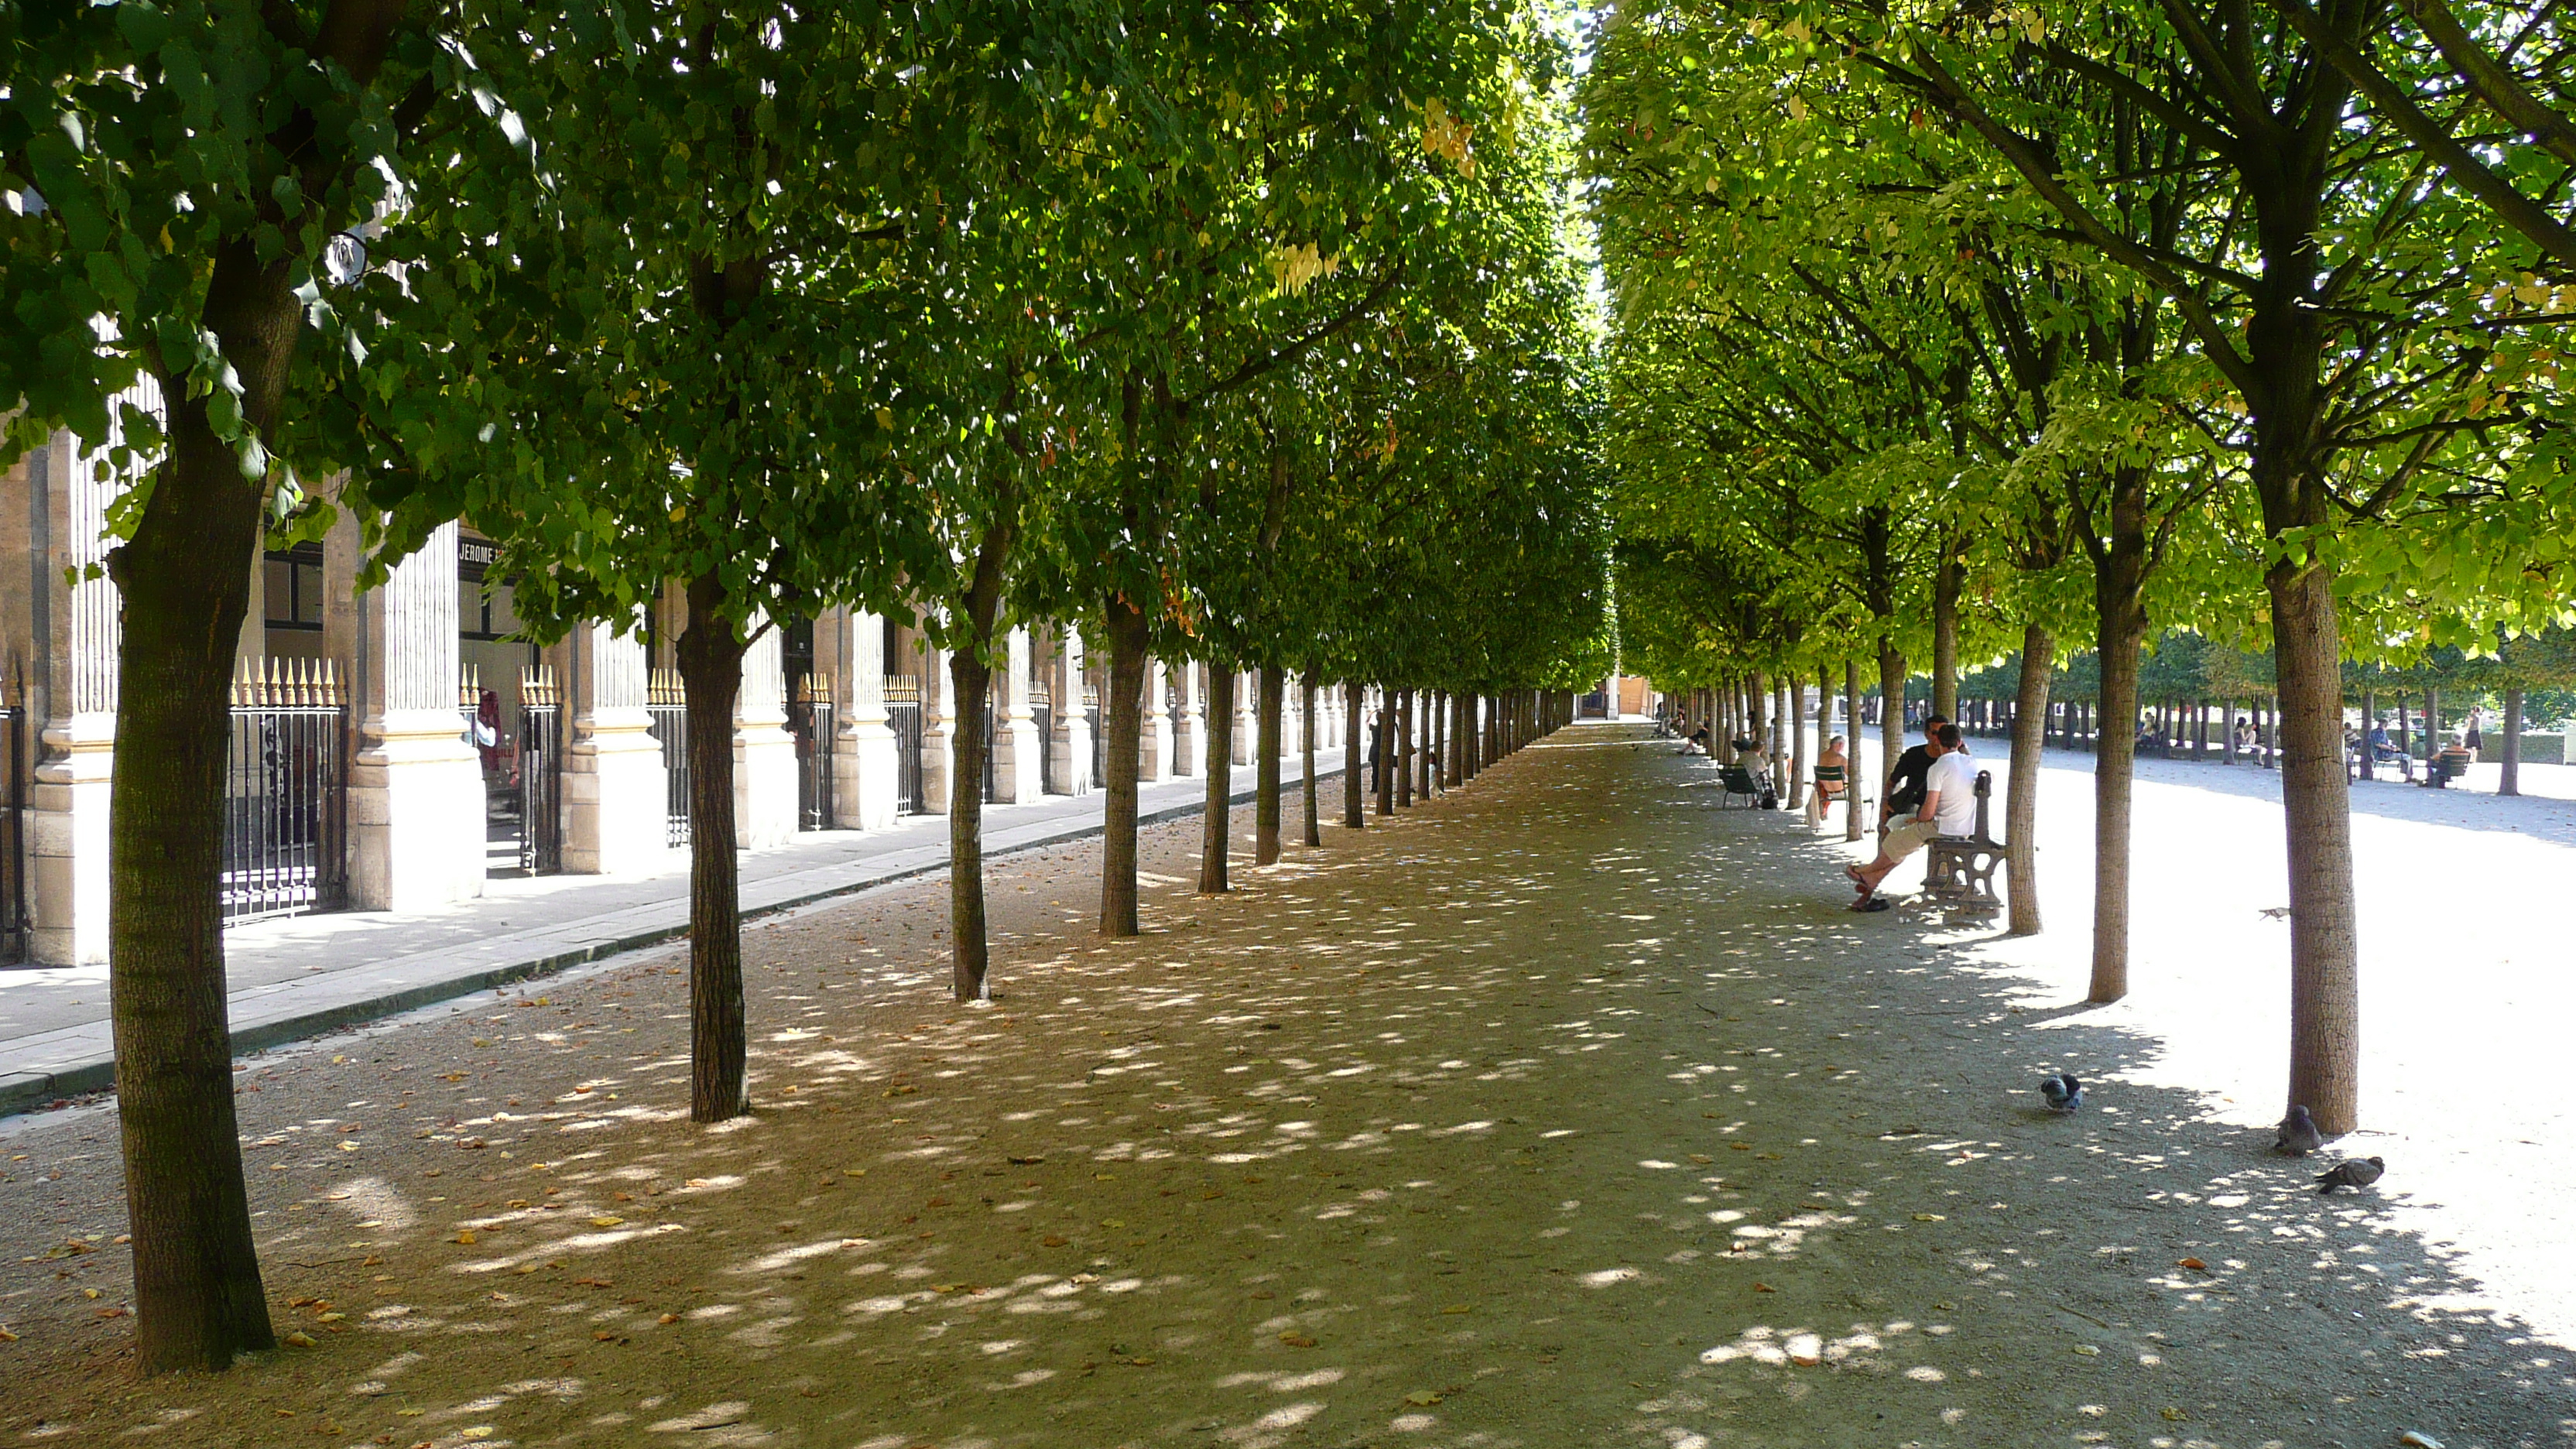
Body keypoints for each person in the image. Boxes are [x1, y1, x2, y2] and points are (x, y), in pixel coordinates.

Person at [1848, 722, 1975, 906]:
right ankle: (1872, 878)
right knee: (1904, 837)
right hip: (1965, 827)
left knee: (1894, 838)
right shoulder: (1971, 762)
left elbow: (1927, 815)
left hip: (1943, 827)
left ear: (1938, 740)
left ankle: (1865, 871)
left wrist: (1918, 820)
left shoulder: (1939, 767)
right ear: (1960, 742)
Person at [1881, 714, 1950, 832]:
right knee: (1888, 831)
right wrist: (1884, 802)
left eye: (1943, 734)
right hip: (1913, 806)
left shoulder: (1952, 759)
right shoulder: (1913, 754)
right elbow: (1892, 781)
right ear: (1926, 734)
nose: (1939, 738)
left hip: (1942, 811)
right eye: (1935, 733)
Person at [1807, 735, 1850, 826]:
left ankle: (1823, 812)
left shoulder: (1822, 756)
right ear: (1840, 745)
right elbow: (1852, 775)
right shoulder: (1842, 759)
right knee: (1862, 795)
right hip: (1841, 792)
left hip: (1826, 792)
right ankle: (1862, 825)